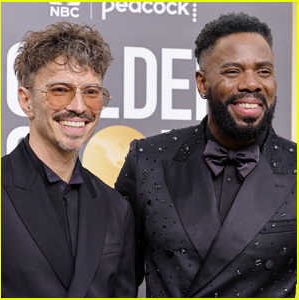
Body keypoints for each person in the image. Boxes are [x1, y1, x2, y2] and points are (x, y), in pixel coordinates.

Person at [116, 12, 297, 298]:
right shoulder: (148, 159)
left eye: (264, 71)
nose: (252, 83)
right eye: (233, 71)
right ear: (202, 83)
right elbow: (118, 281)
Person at [2, 21, 136, 298]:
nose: (78, 107)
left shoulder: (116, 208)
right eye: (60, 90)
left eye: (91, 92)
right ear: (26, 101)